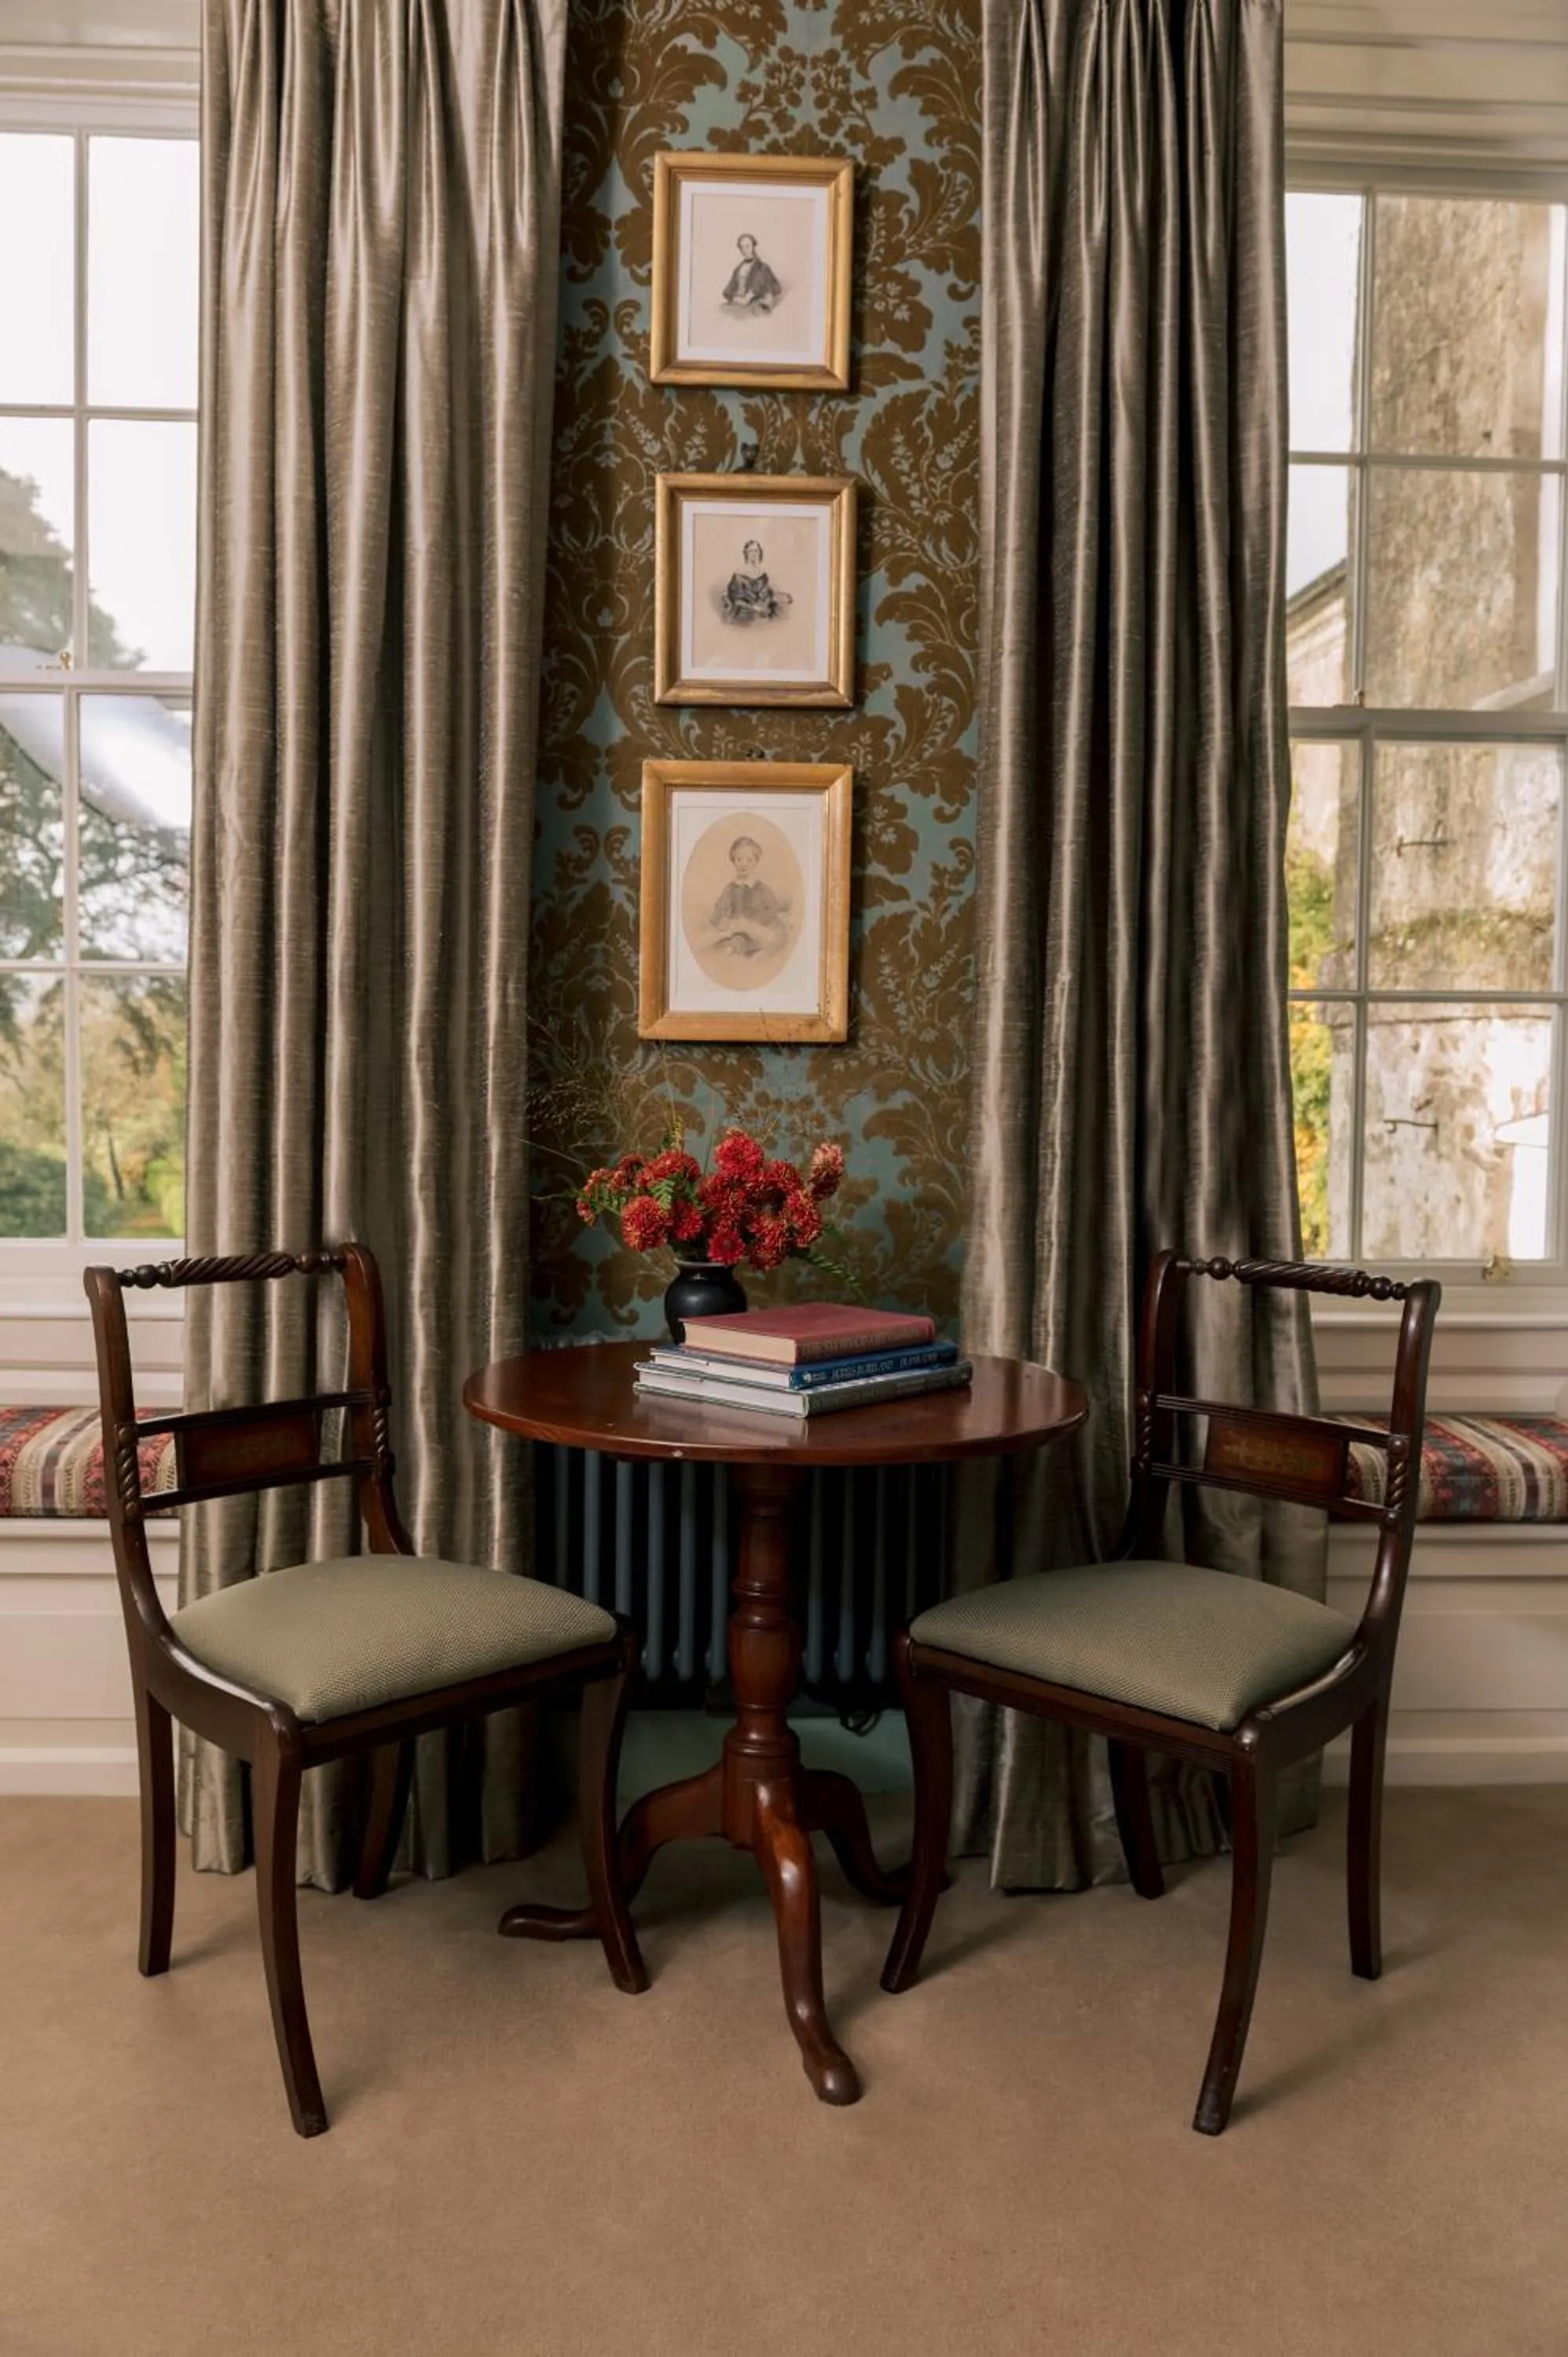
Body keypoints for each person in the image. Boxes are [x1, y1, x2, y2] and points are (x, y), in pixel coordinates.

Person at [693, 834, 792, 963]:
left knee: (766, 942)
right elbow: (721, 907)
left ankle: (753, 955)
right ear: (733, 861)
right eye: (739, 859)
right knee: (729, 942)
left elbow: (771, 910)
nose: (743, 864)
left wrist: (756, 923)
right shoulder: (731, 888)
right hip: (737, 927)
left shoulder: (761, 888)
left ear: (756, 862)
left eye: (749, 860)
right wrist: (717, 922)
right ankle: (732, 957)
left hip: (756, 927)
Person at [720, 540, 792, 626]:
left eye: (756, 551)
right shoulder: (739, 574)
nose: (754, 554)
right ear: (746, 553)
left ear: (760, 553)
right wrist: (757, 608)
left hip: (763, 611)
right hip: (746, 613)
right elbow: (737, 601)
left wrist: (776, 597)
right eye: (751, 551)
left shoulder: (763, 574)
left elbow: (766, 594)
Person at [721, 233, 782, 313]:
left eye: (747, 246)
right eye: (742, 247)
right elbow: (727, 292)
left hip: (754, 306)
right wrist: (734, 298)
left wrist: (765, 296)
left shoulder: (762, 268)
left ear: (753, 246)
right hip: (737, 304)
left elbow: (776, 287)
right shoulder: (738, 269)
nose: (745, 250)